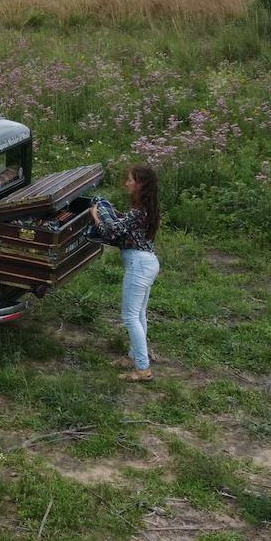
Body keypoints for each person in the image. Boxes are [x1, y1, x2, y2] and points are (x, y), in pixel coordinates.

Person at [90, 164, 162, 383]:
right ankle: (134, 357)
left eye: (130, 179)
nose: (127, 183)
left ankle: (143, 369)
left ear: (139, 183)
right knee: (139, 315)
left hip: (139, 265)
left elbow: (112, 230)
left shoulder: (140, 211)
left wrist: (96, 215)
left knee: (130, 317)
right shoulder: (145, 209)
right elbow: (123, 225)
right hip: (147, 263)